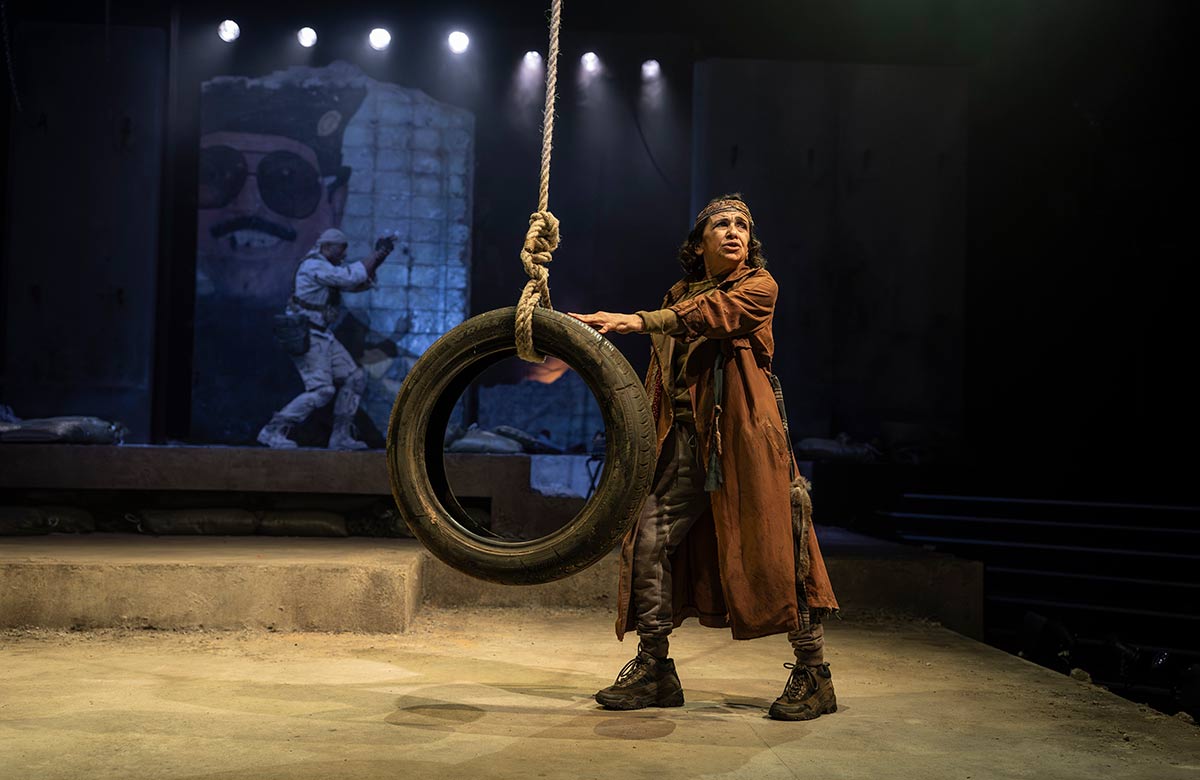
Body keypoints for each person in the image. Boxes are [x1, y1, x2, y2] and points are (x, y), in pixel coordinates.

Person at [568, 194, 840, 721]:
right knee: (648, 539)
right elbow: (662, 377)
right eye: (721, 224)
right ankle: (655, 668)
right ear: (699, 243)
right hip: (689, 446)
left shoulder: (758, 287)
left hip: (744, 440)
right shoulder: (678, 296)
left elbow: (716, 316)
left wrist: (639, 321)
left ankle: (814, 674)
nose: (734, 231)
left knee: (779, 545)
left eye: (742, 225)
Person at [256, 228, 392, 450]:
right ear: (327, 246)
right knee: (322, 390)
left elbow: (355, 284)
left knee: (354, 378)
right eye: (341, 250)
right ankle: (272, 430)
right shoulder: (314, 265)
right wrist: (376, 254)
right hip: (307, 334)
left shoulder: (326, 266)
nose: (343, 255)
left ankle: (340, 437)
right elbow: (350, 277)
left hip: (322, 334)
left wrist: (381, 256)